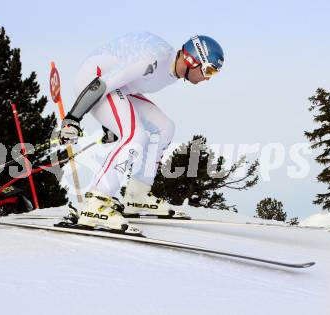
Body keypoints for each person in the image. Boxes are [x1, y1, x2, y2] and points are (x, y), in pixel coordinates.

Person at [60, 32, 224, 235]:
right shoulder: (154, 59)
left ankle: (137, 195)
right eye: (208, 70)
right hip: (94, 81)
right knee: (135, 136)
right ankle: (96, 201)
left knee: (164, 128)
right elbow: (104, 83)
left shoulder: (171, 70)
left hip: (119, 88)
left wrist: (110, 124)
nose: (207, 78)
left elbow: (124, 85)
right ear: (192, 59)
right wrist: (72, 119)